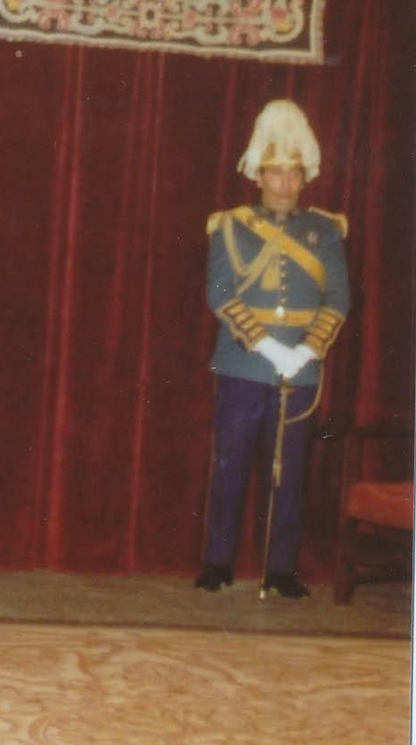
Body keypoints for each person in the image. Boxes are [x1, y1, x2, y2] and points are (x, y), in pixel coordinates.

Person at [196, 99, 349, 600]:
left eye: (293, 174)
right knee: (231, 466)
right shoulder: (230, 226)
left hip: (301, 369)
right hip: (243, 364)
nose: (285, 184)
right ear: (258, 175)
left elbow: (338, 298)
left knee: (291, 474)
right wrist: (266, 345)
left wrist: (306, 351)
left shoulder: (325, 230)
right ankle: (218, 562)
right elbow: (220, 293)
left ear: (304, 178)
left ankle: (280, 568)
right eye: (275, 173)